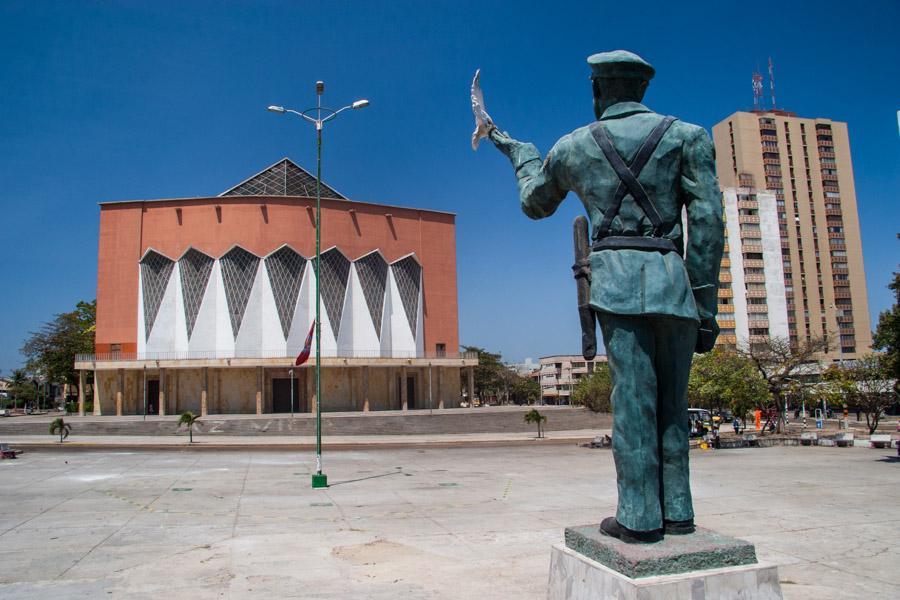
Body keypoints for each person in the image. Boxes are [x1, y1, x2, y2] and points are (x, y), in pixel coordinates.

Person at [488, 50, 723, 543]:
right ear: (642, 90)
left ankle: (638, 517)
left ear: (597, 92)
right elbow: (707, 224)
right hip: (675, 284)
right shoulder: (688, 136)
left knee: (634, 402)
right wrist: (704, 304)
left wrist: (522, 154)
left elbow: (535, 203)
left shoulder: (575, 146)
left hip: (616, 285)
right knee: (673, 405)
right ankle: (677, 510)